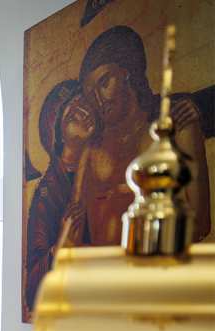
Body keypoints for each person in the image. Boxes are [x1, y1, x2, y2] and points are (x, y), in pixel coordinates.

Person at [75, 25, 210, 246]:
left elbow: (199, 222)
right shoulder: (91, 151)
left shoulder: (177, 126)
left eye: (104, 82)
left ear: (126, 72)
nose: (98, 100)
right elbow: (75, 230)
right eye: (90, 94)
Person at [24, 80, 97, 317]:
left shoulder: (102, 162)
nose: (84, 113)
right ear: (60, 135)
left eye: (84, 104)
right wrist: (61, 246)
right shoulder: (48, 194)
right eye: (73, 115)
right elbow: (32, 289)